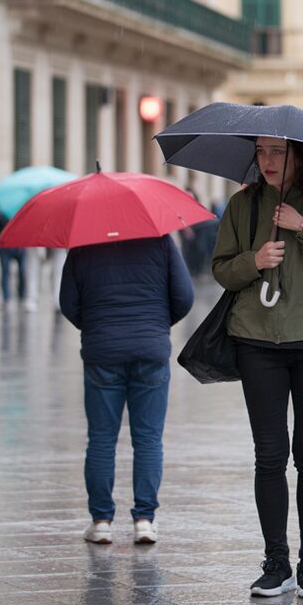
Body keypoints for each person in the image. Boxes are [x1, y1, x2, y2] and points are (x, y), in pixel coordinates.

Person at [211, 137, 303, 599]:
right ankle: (276, 562)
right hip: (257, 340)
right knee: (269, 454)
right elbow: (221, 270)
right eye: (261, 151)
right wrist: (254, 260)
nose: (267, 161)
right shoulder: (243, 203)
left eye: (278, 151)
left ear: (301, 154)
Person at [60, 234, 193, 546]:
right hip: (150, 349)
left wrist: (96, 326)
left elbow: (68, 302)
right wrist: (157, 323)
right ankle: (144, 520)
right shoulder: (161, 241)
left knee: (101, 439)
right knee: (148, 439)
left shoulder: (83, 244)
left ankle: (101, 521)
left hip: (102, 350)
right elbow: (184, 296)